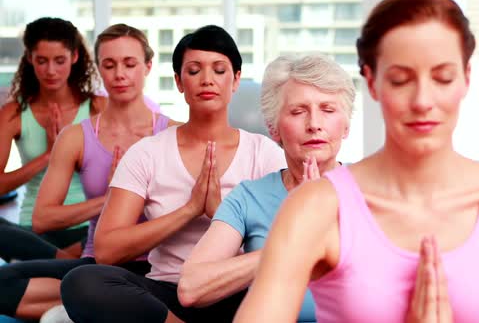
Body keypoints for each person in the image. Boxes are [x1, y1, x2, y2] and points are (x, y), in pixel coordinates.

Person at [234, 0, 479, 322]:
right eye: (401, 79)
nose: (422, 101)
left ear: (466, 79)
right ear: (372, 83)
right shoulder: (314, 208)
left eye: (443, 77)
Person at [60, 25, 286, 323]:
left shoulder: (265, 153)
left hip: (239, 293)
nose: (207, 80)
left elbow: (281, 246)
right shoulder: (147, 153)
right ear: (179, 82)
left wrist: (221, 213)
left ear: (236, 80)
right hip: (167, 295)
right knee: (82, 281)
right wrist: (189, 210)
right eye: (194, 71)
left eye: (219, 70)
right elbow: (106, 250)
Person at [0, 23, 174, 321]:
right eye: (109, 64)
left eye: (129, 64)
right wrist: (111, 197)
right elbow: (42, 218)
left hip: (153, 263)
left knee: (90, 285)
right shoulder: (75, 136)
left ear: (147, 66)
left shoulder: (171, 133)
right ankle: (96, 301)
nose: (120, 74)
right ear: (99, 69)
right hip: (94, 261)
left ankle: (96, 302)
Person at [177, 54, 354, 323]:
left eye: (328, 110)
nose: (314, 124)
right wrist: (291, 242)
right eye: (298, 111)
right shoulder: (248, 197)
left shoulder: (372, 190)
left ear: (346, 126)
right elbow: (192, 288)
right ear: (274, 129)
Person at [0, 17, 106, 262]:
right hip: (34, 229)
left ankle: (51, 263)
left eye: (59, 61)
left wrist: (67, 152)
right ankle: (65, 262)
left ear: (75, 57)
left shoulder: (98, 108)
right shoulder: (13, 114)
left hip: (86, 225)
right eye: (42, 61)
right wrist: (49, 155)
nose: (50, 70)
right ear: (29, 59)